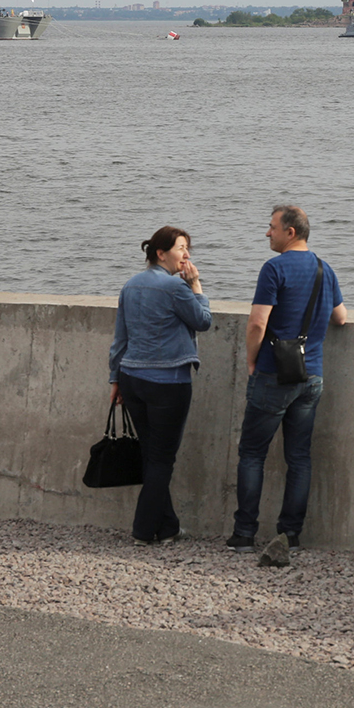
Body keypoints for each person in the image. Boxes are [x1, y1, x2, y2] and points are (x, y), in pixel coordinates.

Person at [228, 205, 348, 559]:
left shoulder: (274, 269)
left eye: (272, 228)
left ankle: (244, 535)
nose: (268, 233)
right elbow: (341, 318)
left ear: (290, 232)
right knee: (299, 457)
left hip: (273, 374)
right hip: (311, 375)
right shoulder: (326, 270)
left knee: (252, 453)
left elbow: (256, 324)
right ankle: (290, 535)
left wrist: (251, 359)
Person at [109, 226, 213, 545]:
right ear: (160, 253)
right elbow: (203, 321)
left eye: (187, 249)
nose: (187, 255)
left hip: (132, 378)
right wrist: (196, 285)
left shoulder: (130, 285)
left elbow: (120, 339)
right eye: (181, 248)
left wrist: (115, 378)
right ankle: (142, 530)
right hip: (168, 381)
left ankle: (167, 527)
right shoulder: (175, 288)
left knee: (152, 454)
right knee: (162, 459)